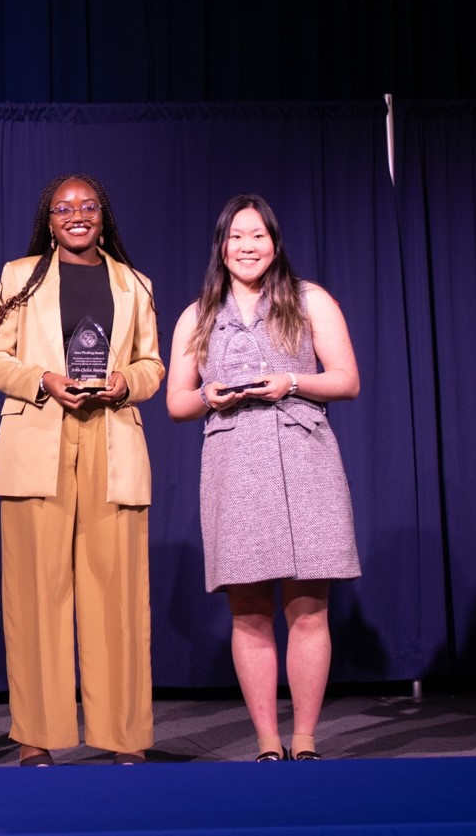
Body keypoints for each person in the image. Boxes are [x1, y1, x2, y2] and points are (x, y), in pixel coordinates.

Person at [0, 173, 164, 766]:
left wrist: (126, 381)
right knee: (36, 595)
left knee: (119, 595)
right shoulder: (19, 276)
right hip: (38, 442)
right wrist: (43, 381)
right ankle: (38, 733)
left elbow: (152, 364)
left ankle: (123, 734)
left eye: (87, 206)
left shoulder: (136, 283)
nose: (76, 215)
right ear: (49, 219)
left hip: (112, 441)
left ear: (103, 215)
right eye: (63, 208)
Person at [165, 193, 361, 762]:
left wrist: (291, 381)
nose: (247, 247)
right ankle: (268, 743)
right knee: (248, 612)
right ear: (221, 248)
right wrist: (208, 395)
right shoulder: (198, 313)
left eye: (258, 236)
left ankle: (303, 740)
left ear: (274, 243)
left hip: (305, 457)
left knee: (309, 607)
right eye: (236, 237)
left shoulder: (309, 300)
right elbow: (177, 401)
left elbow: (346, 379)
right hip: (233, 461)